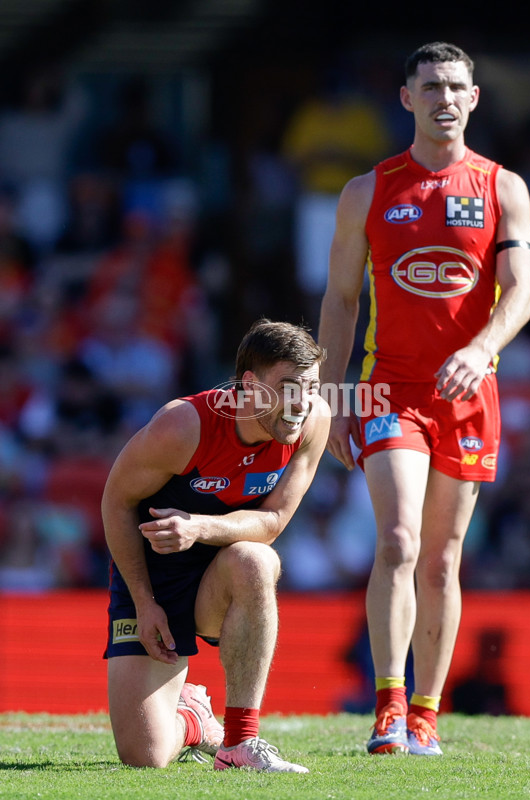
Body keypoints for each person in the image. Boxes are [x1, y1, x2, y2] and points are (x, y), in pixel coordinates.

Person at [318, 42, 530, 756]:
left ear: (474, 98)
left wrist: (479, 349)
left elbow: (522, 292)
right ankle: (385, 706)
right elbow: (343, 298)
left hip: (469, 392)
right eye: (431, 85)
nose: (445, 97)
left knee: (442, 560)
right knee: (399, 539)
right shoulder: (367, 191)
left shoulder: (503, 188)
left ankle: (425, 715)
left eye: (456, 86)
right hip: (390, 389)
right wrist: (332, 390)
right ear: (406, 97)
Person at [101, 319, 330, 772]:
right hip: (155, 581)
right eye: (289, 387)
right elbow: (115, 502)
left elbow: (274, 520)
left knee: (256, 559)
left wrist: (198, 528)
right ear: (251, 384)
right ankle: (194, 718)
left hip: (219, 580)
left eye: (311, 387)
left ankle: (239, 742)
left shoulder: (313, 421)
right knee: (144, 758)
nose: (301, 403)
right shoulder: (184, 425)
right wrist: (145, 603)